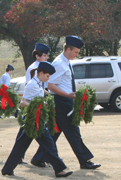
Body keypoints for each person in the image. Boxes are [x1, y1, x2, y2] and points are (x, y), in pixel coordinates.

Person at [30, 36, 101, 170]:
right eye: (75, 52)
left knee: (55, 131)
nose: (76, 54)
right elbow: (50, 84)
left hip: (64, 100)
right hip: (61, 101)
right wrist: (68, 95)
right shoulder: (59, 64)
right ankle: (84, 160)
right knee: (73, 131)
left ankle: (39, 157)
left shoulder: (65, 62)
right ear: (68, 49)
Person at [2, 62, 73, 178]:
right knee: (49, 145)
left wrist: (44, 100)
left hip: (35, 119)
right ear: (41, 73)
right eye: (47, 76)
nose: (48, 79)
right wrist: (38, 105)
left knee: (20, 146)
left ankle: (7, 169)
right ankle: (59, 169)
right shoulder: (32, 84)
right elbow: (23, 102)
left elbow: (35, 98)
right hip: (34, 120)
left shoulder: (39, 83)